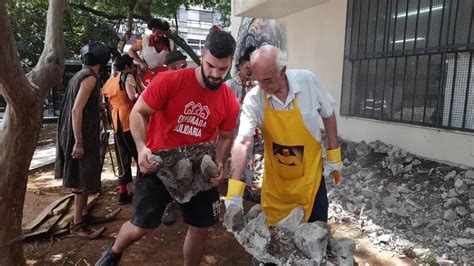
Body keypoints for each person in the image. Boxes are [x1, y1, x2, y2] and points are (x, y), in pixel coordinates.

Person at [96, 30, 240, 266]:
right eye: (211, 66)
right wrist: (141, 148)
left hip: (197, 166)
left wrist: (220, 162)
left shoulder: (229, 100)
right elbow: (138, 112)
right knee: (143, 225)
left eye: (222, 69)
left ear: (230, 63)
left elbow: (225, 137)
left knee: (202, 226)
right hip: (159, 162)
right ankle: (114, 251)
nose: (215, 74)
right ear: (202, 56)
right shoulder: (169, 81)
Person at [225, 45, 342, 227]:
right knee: (274, 241)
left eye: (268, 81)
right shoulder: (255, 98)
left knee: (316, 237)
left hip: (310, 182)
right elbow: (243, 140)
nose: (263, 87)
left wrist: (334, 155)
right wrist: (234, 190)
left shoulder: (308, 82)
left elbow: (328, 114)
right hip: (276, 187)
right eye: (258, 81)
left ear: (283, 70)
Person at [55, 42, 121, 239]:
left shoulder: (80, 74)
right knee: (82, 179)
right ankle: (77, 225)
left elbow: (81, 104)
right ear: (102, 62)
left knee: (85, 175)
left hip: (78, 132)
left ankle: (84, 216)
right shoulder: (90, 78)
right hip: (79, 134)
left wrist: (98, 105)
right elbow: (76, 110)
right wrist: (78, 142)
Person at [102, 54, 139, 205]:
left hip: (116, 124)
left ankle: (123, 193)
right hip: (130, 121)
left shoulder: (110, 81)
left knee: (122, 159)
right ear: (127, 67)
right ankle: (144, 191)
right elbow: (132, 96)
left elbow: (105, 103)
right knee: (139, 155)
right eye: (132, 66)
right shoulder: (127, 76)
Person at [225, 47, 260, 203]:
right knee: (230, 156)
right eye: (247, 68)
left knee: (248, 156)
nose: (249, 71)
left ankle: (246, 187)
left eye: (252, 69)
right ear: (239, 67)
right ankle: (229, 185)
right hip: (231, 128)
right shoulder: (229, 85)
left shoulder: (256, 86)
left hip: (247, 129)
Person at [128, 18, 175, 89]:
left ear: (164, 32)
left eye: (159, 32)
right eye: (153, 31)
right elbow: (131, 51)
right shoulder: (143, 41)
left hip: (160, 74)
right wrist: (141, 62)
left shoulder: (170, 44)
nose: (155, 34)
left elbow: (175, 59)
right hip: (144, 74)